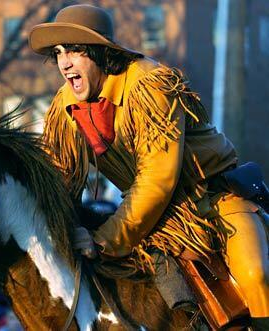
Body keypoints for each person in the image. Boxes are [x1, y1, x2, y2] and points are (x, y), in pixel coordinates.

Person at [28, 4, 268, 326]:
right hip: (152, 222)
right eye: (58, 53)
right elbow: (59, 178)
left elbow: (157, 178)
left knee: (256, 275)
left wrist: (104, 239)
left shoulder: (148, 84)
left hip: (213, 200)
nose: (64, 63)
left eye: (75, 50)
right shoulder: (64, 106)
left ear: (100, 52)